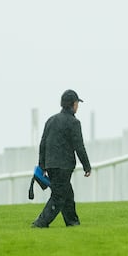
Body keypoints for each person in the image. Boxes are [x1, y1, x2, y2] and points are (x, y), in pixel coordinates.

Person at [31, 89, 92, 228]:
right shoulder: (74, 122)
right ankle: (40, 223)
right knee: (59, 196)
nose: (78, 106)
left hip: (51, 165)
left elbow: (43, 144)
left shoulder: (51, 120)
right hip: (64, 166)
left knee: (67, 194)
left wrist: (42, 165)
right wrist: (86, 166)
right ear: (73, 104)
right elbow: (79, 146)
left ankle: (72, 222)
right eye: (77, 103)